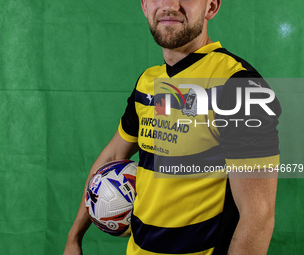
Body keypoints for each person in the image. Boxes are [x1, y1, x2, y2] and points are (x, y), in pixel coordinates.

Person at [63, 0, 281, 254]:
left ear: (211, 6)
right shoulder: (148, 82)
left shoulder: (238, 85)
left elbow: (258, 217)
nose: (170, 4)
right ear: (145, 6)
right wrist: (74, 237)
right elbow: (112, 156)